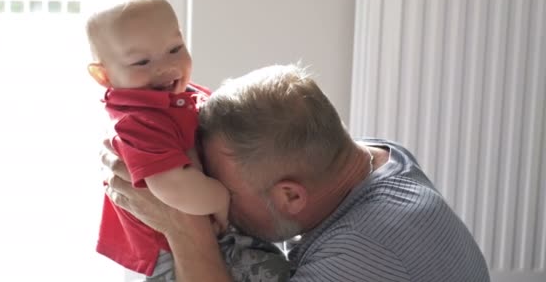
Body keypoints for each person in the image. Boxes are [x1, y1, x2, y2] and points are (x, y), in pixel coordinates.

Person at [102, 63, 492, 281]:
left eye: (223, 192)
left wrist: (185, 230)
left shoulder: (360, 253)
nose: (217, 205)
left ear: (290, 196)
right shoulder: (375, 157)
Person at [84, 0, 289, 281]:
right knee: (276, 273)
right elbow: (172, 186)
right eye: (141, 61)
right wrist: (220, 199)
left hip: (216, 231)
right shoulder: (137, 122)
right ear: (104, 75)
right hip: (170, 251)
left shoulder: (176, 98)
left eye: (174, 49)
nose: (166, 67)